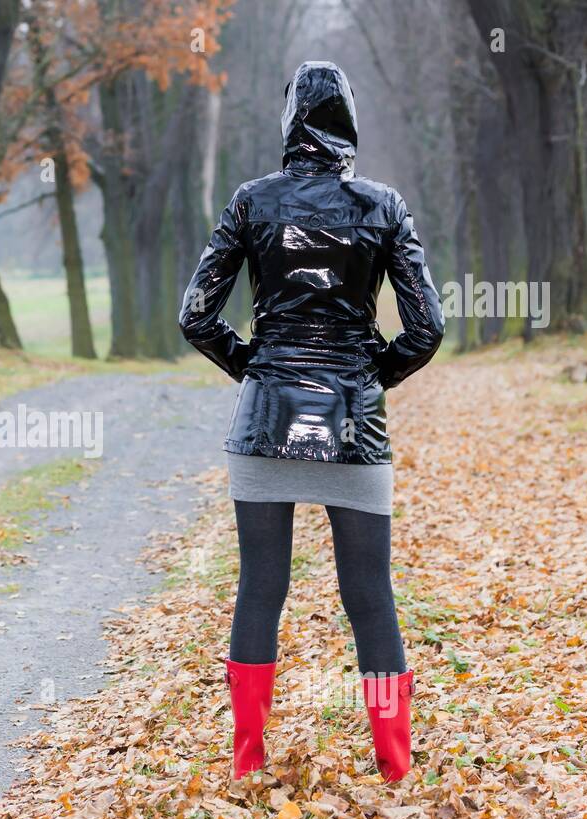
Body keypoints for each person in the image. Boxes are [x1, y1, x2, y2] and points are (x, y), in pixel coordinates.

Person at [179, 61, 444, 782]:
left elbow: (196, 315)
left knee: (261, 586)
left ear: (288, 120)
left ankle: (246, 762)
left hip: (266, 424)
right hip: (354, 426)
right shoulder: (382, 206)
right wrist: (364, 379)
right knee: (369, 595)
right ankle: (394, 767)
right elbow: (427, 329)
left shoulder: (251, 202)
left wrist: (256, 369)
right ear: (349, 123)